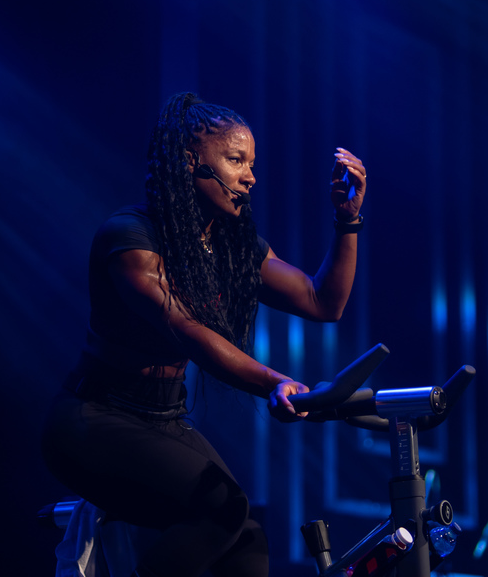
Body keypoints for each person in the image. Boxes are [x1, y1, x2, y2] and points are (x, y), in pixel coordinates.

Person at [41, 92, 366, 577]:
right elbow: (185, 328)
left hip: (163, 419)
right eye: (236, 160)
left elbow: (323, 301)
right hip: (93, 419)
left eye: (251, 163)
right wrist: (275, 381)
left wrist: (347, 220)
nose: (250, 177)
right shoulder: (129, 237)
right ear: (191, 161)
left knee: (247, 539)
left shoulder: (234, 247)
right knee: (221, 512)